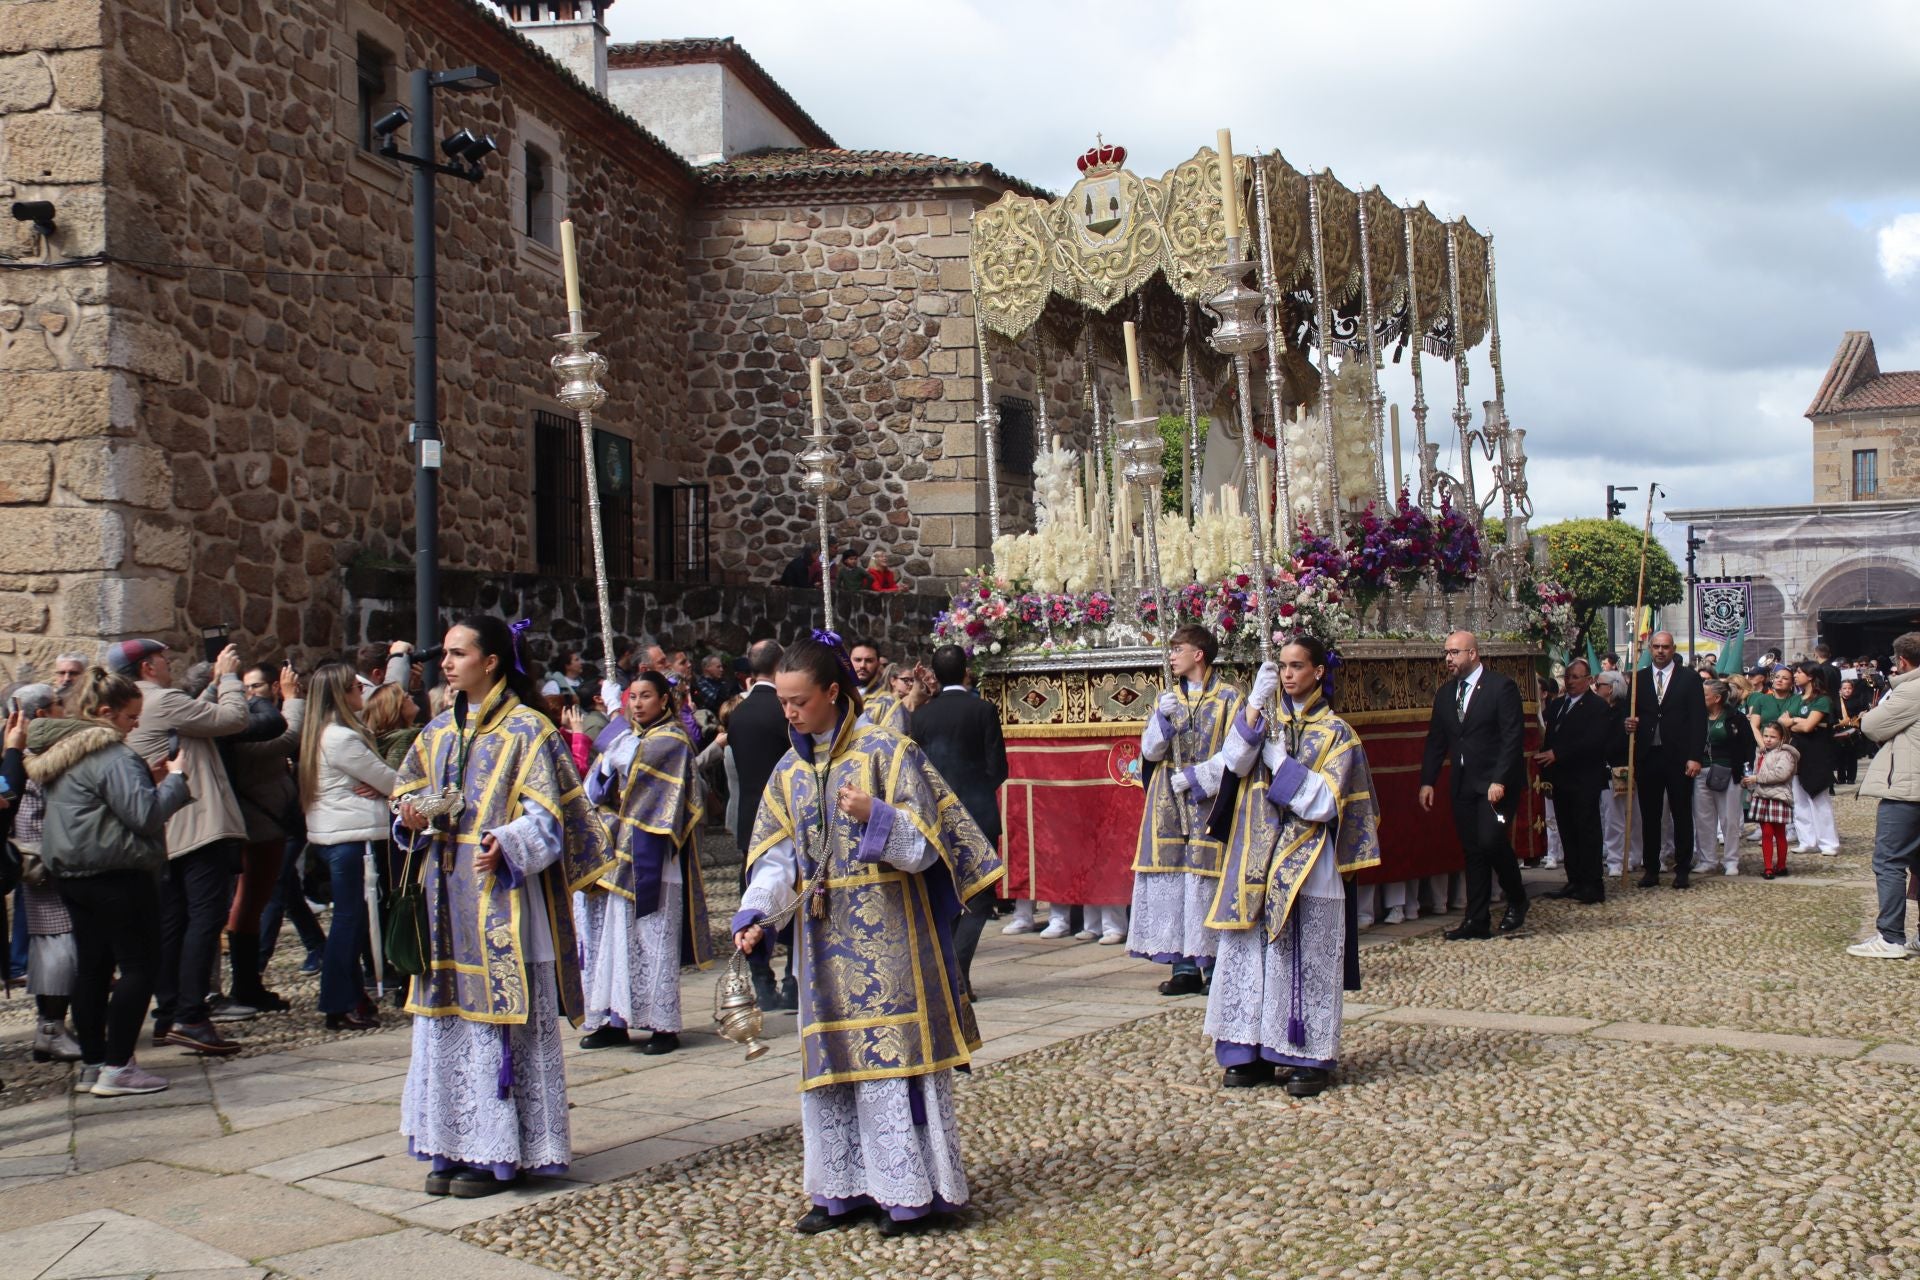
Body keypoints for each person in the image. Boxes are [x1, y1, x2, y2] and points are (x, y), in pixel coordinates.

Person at [732, 634, 1002, 1235]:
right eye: (784, 703)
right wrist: (755, 914)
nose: (790, 712)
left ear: (833, 692)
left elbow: (927, 849)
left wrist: (874, 815)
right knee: (830, 1065)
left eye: (800, 701)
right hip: (822, 945)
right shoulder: (788, 771)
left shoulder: (889, 752)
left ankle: (908, 1192)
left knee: (890, 1063)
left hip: (891, 939)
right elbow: (776, 860)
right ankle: (842, 1189)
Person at [393, 615, 613, 1198]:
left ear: (490, 662)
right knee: (444, 1019)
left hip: (504, 899)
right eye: (444, 654)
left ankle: (502, 1152)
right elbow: (405, 793)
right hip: (445, 899)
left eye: (457, 653)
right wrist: (409, 816)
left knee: (499, 1026)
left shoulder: (528, 731)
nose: (446, 663)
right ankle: (448, 1144)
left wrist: (508, 842)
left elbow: (552, 820)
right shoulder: (436, 732)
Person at [1203, 637, 1380, 1096]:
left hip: (1309, 859)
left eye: (1297, 666)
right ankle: (1248, 1051)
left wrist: (1280, 762)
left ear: (1319, 671)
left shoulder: (1337, 734)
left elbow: (1324, 802)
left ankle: (1305, 1054)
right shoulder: (1264, 720)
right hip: (1254, 856)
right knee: (1249, 955)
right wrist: (1253, 708)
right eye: (1282, 666)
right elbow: (1233, 763)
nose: (1287, 674)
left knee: (1306, 959)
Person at [38, 667, 191, 1096]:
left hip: (73, 874)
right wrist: (176, 780)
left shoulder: (65, 753)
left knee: (93, 968)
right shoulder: (114, 756)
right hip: (117, 874)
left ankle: (93, 1063)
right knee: (140, 966)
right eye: (130, 717)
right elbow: (145, 816)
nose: (136, 725)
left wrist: (147, 783)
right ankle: (118, 1066)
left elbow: (102, 805)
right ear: (106, 713)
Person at [115, 637, 251, 1055]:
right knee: (204, 920)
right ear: (146, 667)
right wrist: (230, 679)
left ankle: (169, 1014)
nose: (168, 662)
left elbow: (193, 719)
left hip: (167, 830)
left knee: (173, 924)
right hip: (197, 826)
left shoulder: (142, 702)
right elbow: (233, 719)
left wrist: (211, 685)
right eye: (161, 658)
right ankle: (191, 1016)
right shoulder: (160, 699)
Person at [578, 670, 712, 1052]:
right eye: (632, 697)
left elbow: (634, 759)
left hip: (653, 852)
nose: (637, 704)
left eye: (646, 696)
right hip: (617, 851)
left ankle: (662, 1025)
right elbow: (595, 787)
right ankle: (612, 1019)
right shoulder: (627, 735)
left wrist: (612, 717)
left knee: (652, 938)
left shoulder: (671, 739)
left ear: (664, 700)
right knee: (612, 939)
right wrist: (607, 764)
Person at [1129, 624, 1242, 992]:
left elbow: (1238, 752)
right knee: (1176, 878)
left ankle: (1214, 965)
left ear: (1199, 654)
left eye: (1178, 649)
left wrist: (1197, 777)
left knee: (1206, 880)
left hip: (1208, 801)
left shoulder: (1229, 698)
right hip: (1169, 803)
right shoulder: (1168, 697)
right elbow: (1149, 751)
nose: (1172, 655)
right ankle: (1184, 967)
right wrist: (1161, 720)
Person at [908, 644, 1009, 993]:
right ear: (967, 671)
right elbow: (998, 766)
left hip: (938, 816)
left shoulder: (922, 715)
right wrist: (977, 791)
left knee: (946, 892)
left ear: (934, 675)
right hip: (978, 812)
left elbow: (917, 769)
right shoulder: (983, 710)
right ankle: (957, 970)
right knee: (980, 895)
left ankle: (949, 970)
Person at [1420, 632, 1528, 938]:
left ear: (1473, 653)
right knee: (1473, 851)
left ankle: (1517, 897)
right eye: (1446, 653)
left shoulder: (1500, 687)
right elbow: (1437, 741)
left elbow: (1512, 737)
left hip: (1495, 782)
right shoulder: (1446, 694)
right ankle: (1476, 919)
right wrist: (1428, 781)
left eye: (1454, 652)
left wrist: (1500, 779)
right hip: (1464, 783)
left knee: (1491, 840)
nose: (1448, 659)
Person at [226, 663, 304, 1014]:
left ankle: (249, 983)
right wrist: (292, 699)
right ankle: (246, 985)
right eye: (245, 688)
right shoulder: (241, 737)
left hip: (265, 823)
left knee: (256, 902)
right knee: (249, 903)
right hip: (259, 827)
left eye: (256, 687)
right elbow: (288, 738)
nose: (251, 694)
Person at [10, 688, 82, 1064]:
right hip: (46, 868)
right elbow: (30, 815)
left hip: (52, 864)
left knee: (60, 950)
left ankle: (53, 1028)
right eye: (57, 705)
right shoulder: (29, 758)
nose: (63, 709)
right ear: (42, 714)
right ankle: (50, 1030)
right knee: (57, 952)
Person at [729, 639, 798, 1013]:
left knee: (752, 898)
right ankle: (792, 979)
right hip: (784, 815)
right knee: (794, 896)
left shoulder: (738, 713)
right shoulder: (784, 711)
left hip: (749, 819)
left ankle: (761, 979)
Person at [1850, 632, 1920, 958]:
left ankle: (1891, 937)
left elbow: (1871, 726)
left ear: (1902, 661)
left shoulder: (1911, 689)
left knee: (1889, 862)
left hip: (1908, 789)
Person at [1622, 632, 1708, 889]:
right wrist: (1628, 724)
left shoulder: (1689, 678)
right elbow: (1629, 713)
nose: (1660, 651)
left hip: (1679, 756)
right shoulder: (1639, 678)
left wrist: (1695, 756)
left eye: (1665, 647)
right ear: (1650, 648)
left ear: (1673, 649)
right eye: (1656, 647)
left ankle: (1682, 868)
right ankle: (1651, 867)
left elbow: (1698, 720)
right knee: (1650, 815)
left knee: (1681, 813)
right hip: (1648, 755)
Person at [1536, 658, 1613, 904]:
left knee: (1586, 831)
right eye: (1567, 677)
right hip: (1561, 779)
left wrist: (1559, 754)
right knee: (1567, 830)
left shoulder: (1597, 706)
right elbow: (1549, 737)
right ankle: (1575, 879)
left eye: (1575, 677)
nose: (1570, 682)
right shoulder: (1558, 705)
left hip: (1584, 778)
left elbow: (1593, 741)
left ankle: (1592, 883)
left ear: (1588, 680)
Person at [1694, 679, 1756, 877]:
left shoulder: (1735, 717)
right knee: (1703, 818)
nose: (1700, 698)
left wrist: (1746, 771)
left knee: (1729, 819)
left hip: (1728, 771)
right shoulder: (1696, 716)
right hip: (1701, 770)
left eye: (1704, 695)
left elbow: (1748, 745)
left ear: (1717, 698)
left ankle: (1731, 860)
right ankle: (1707, 859)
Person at [1781, 662, 1841, 858]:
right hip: (1797, 752)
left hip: (1816, 753)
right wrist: (1798, 722)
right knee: (1799, 800)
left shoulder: (1822, 700)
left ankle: (1829, 842)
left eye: (1799, 672)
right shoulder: (1795, 699)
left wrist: (1794, 722)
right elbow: (1782, 721)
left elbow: (1808, 726)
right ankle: (1807, 840)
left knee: (1819, 798)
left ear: (1810, 676)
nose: (1795, 675)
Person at [1742, 723, 1798, 880]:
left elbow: (1781, 775)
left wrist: (1757, 778)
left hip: (1778, 797)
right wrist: (1747, 781)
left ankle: (1781, 865)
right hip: (1762, 797)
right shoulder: (1761, 753)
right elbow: (1755, 772)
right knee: (1766, 833)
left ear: (1782, 739)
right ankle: (1768, 867)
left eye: (1772, 737)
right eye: (1765, 736)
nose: (1768, 739)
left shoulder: (1786, 755)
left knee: (1779, 833)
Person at [1746, 667, 1793, 740]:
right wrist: (1762, 745)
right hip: (1763, 743)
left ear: (1792, 684)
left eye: (1785, 678)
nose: (1779, 680)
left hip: (1790, 743)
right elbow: (1754, 726)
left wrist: (1792, 721)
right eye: (1777, 677)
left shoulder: (1797, 699)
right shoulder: (1761, 699)